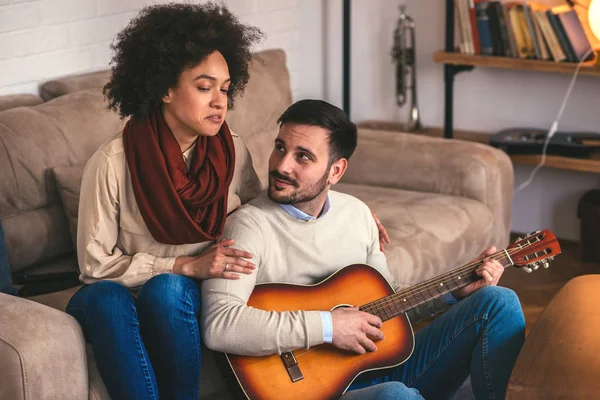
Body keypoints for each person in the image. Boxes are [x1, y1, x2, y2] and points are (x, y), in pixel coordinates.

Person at [201, 99, 526, 399]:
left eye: (303, 156)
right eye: (279, 148)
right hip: (308, 391)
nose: (282, 166)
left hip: (372, 368)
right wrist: (329, 327)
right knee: (396, 397)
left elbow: (389, 304)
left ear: (336, 171)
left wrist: (454, 292)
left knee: (498, 302)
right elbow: (221, 325)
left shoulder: (356, 215)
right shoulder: (248, 227)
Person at [65, 3, 264, 399]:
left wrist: (339, 212)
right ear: (165, 89)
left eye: (225, 89)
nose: (220, 102)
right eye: (204, 87)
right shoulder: (112, 163)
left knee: (167, 291)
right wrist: (183, 264)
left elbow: (264, 214)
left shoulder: (233, 153)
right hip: (118, 294)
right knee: (105, 298)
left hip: (178, 295)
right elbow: (94, 267)